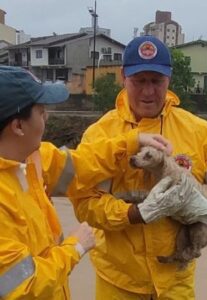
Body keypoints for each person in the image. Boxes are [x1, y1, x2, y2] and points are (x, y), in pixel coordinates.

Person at [70, 36, 207, 299]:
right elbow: (84, 204)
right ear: (123, 77)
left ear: (169, 79)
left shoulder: (200, 132)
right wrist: (134, 213)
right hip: (118, 281)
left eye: (156, 81)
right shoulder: (100, 135)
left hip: (176, 281)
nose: (148, 91)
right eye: (139, 81)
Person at [0, 65, 173, 300]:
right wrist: (75, 247)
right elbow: (23, 285)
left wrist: (132, 141)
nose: (47, 118)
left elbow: (82, 165)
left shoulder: (30, 159)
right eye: (41, 112)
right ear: (18, 126)